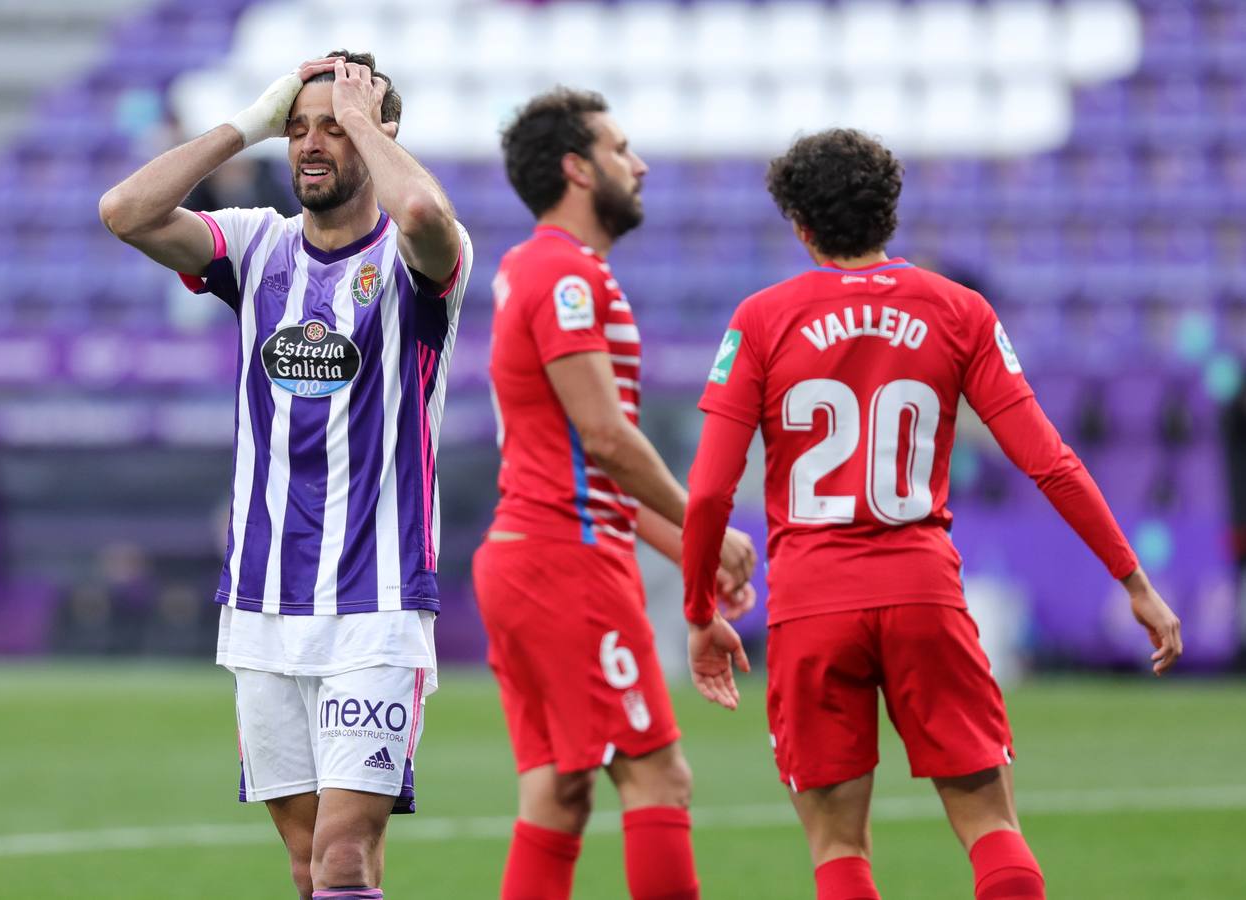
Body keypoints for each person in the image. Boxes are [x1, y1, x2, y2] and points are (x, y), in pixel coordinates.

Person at [679, 129, 1183, 900]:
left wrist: (699, 610)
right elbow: (1048, 460)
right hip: (923, 594)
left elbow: (711, 490)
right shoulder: (959, 311)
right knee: (990, 826)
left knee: (838, 849)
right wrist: (1133, 580)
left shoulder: (761, 317)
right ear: (889, 212)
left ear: (800, 226)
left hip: (812, 602)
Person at [99, 50, 471, 900]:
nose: (311, 143)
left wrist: (364, 121)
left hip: (374, 607)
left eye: (333, 128)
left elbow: (416, 205)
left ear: (377, 137)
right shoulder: (256, 245)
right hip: (263, 605)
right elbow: (124, 211)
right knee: (310, 868)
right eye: (298, 127)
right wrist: (247, 126)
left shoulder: (423, 263)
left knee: (344, 858)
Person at [471, 88, 759, 900]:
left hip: (526, 557)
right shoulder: (562, 273)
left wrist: (690, 557)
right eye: (619, 148)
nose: (637, 165)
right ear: (576, 166)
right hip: (565, 561)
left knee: (559, 795)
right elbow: (604, 439)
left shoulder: (539, 268)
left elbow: (582, 464)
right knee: (659, 778)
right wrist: (704, 523)